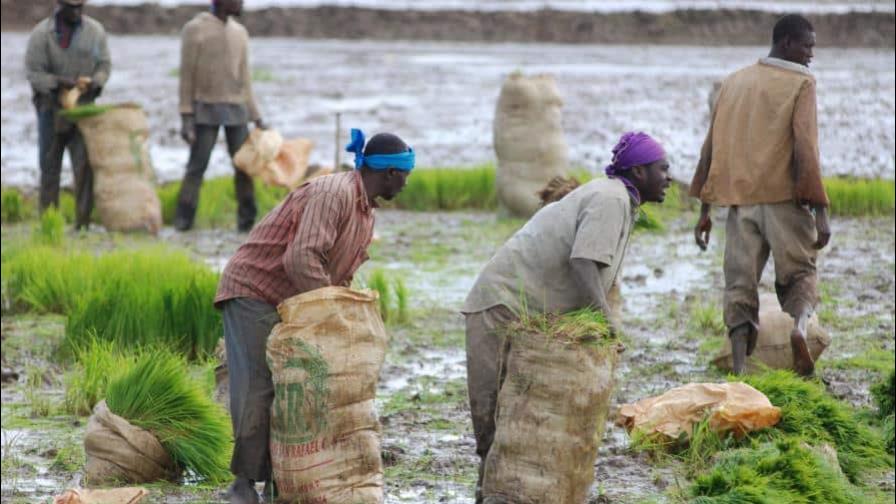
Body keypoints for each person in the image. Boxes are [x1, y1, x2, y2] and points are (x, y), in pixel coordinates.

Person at [462, 132, 671, 503]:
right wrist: (604, 319)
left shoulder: (620, 199)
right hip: (501, 305)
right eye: (662, 169)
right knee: (494, 421)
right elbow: (583, 261)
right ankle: (489, 494)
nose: (669, 177)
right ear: (639, 171)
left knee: (518, 420)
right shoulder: (612, 198)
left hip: (524, 309)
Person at [214, 129, 413, 504]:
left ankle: (280, 482)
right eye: (405, 175)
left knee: (300, 389)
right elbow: (300, 258)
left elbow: (338, 272)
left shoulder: (365, 211)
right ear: (389, 173)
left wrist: (339, 314)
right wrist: (328, 312)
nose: (406, 183)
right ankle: (241, 485)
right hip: (255, 292)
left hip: (292, 298)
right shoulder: (333, 193)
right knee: (262, 387)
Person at [689, 14, 831, 376]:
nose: (811, 54)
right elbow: (806, 147)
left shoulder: (733, 83)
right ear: (786, 43)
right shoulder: (802, 83)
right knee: (799, 275)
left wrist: (705, 209)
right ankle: (799, 330)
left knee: (739, 286)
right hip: (785, 202)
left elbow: (712, 148)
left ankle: (738, 370)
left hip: (741, 206)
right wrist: (820, 211)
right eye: (807, 45)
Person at [175, 0, 265, 232]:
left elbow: (245, 79)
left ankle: (247, 223)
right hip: (205, 108)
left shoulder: (240, 33)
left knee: (244, 167)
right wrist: (186, 116)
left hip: (237, 110)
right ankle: (183, 221)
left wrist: (257, 117)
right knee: (197, 165)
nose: (242, 3)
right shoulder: (195, 29)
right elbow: (186, 76)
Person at [25, 0, 110, 229]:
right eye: (70, 8)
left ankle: (83, 223)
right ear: (58, 6)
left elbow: (104, 64)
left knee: (84, 167)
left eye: (79, 7)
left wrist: (96, 82)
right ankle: (49, 222)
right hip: (51, 109)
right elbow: (33, 73)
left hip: (83, 109)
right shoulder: (42, 35)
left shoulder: (95, 32)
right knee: (49, 166)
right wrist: (59, 82)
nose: (76, 12)